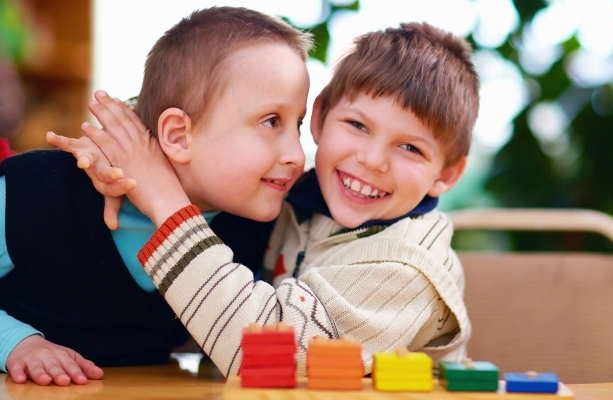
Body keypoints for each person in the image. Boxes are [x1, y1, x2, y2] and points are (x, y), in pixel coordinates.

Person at [55, 22, 479, 377]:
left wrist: (160, 193)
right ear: (319, 118)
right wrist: (125, 151)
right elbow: (208, 138)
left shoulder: (405, 271)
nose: (371, 161)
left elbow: (265, 353)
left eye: (410, 149)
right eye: (357, 125)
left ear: (446, 174)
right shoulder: (299, 195)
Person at [1, 7, 311, 386]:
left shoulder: (257, 225)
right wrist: (16, 344)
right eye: (271, 121)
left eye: (297, 124)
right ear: (178, 135)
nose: (296, 154)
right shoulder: (36, 193)